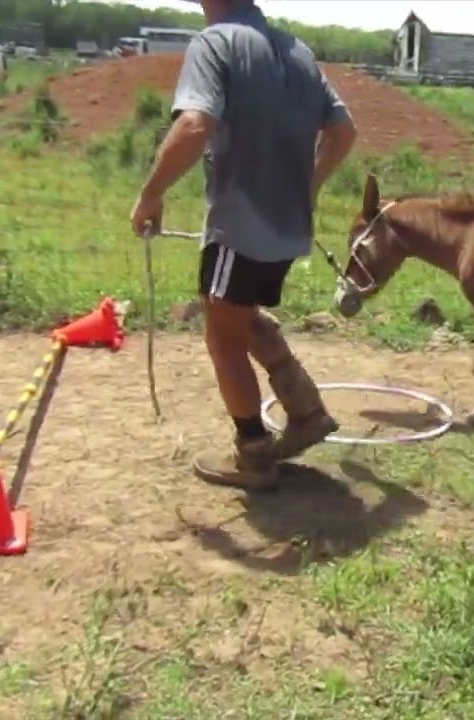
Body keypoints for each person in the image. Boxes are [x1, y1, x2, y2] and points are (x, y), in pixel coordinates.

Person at [130, 0, 359, 491]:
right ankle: (306, 411)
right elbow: (343, 131)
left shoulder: (214, 43)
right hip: (286, 226)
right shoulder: (297, 51)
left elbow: (195, 124)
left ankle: (254, 456)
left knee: (223, 336)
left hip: (240, 225)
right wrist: (309, 187)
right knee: (240, 313)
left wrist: (150, 194)